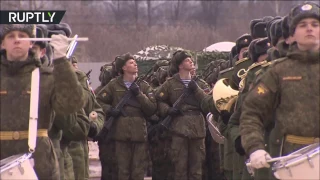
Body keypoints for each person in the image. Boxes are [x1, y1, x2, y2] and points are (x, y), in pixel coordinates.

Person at [240, 1, 319, 172]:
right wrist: (255, 148)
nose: (309, 29)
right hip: (294, 159)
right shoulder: (278, 71)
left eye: (315, 24)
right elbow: (252, 112)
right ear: (293, 33)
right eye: (303, 25)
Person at [0, 24, 85, 179]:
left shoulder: (46, 77)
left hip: (39, 160)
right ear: (2, 43)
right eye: (11, 36)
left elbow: (72, 104)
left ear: (31, 43)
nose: (17, 40)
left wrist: (61, 61)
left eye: (22, 36)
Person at [96, 53, 157, 180]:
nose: (135, 64)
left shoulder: (143, 86)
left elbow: (151, 108)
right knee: (122, 172)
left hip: (139, 134)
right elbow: (99, 101)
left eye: (135, 62)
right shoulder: (114, 85)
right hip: (120, 134)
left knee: (138, 172)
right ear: (123, 68)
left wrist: (139, 94)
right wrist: (110, 110)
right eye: (131, 62)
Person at [155, 50, 210, 180]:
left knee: (197, 170)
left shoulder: (200, 83)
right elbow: (158, 100)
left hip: (197, 128)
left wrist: (196, 89)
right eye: (187, 60)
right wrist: (167, 110)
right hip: (178, 128)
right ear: (180, 65)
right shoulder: (170, 83)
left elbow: (208, 103)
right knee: (179, 169)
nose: (191, 61)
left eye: (191, 59)